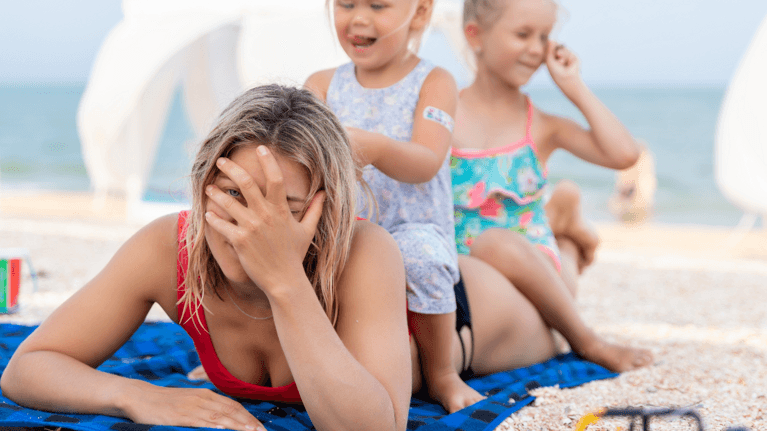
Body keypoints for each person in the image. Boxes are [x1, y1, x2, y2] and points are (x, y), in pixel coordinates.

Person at [0, 85, 413, 431]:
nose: (249, 227)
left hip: (450, 326)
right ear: (202, 184)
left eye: (283, 209)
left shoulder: (364, 251)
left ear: (328, 211)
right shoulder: (171, 246)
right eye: (234, 195)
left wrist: (285, 280)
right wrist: (136, 396)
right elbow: (28, 368)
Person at [447, 0, 655, 406]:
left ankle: (586, 335)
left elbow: (625, 155)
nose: (536, 48)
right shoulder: (441, 113)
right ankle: (568, 227)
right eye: (523, 34)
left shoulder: (540, 124)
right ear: (474, 35)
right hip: (474, 276)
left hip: (536, 272)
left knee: (496, 242)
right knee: (484, 248)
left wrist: (573, 86)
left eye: (544, 37)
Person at [305, 0, 484, 414]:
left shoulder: (433, 81)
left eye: (378, 5)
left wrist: (377, 148)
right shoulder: (321, 84)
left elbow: (427, 160)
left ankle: (442, 374)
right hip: (342, 232)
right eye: (346, 4)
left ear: (419, 14)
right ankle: (239, 354)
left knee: (423, 258)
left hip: (410, 229)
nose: (359, 17)